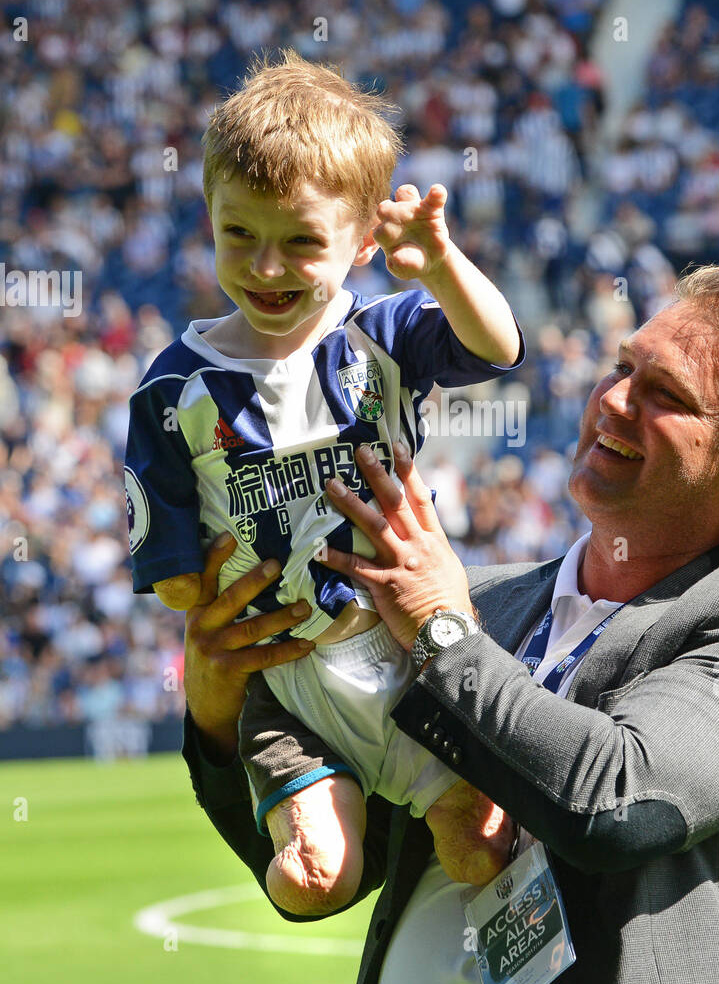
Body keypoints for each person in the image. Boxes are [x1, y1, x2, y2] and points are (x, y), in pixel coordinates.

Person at [181, 265, 719, 984]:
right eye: (622, 368)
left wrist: (442, 632)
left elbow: (617, 802)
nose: (614, 401)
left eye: (667, 396)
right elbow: (332, 858)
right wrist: (217, 711)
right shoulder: (488, 602)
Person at [126, 49, 523, 918]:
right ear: (209, 216)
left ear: (364, 241)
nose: (267, 268)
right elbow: (176, 576)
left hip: (416, 651)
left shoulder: (380, 334)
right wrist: (193, 593)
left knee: (481, 851)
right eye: (241, 234)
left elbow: (496, 346)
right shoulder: (171, 388)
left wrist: (444, 265)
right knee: (315, 885)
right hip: (292, 677)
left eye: (302, 241)